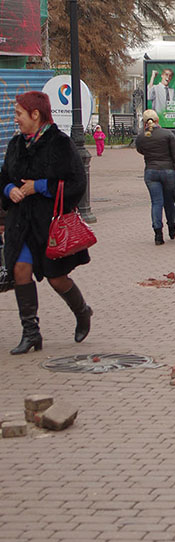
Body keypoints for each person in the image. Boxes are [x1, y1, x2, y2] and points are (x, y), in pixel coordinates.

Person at [2, 91, 93, 355]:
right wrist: (9, 190)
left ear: (35, 114)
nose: (16, 119)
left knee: (56, 278)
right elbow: (4, 177)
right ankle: (30, 333)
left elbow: (77, 183)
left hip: (49, 225)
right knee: (20, 269)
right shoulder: (16, 144)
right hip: (21, 223)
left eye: (19, 113)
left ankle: (82, 311)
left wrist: (39, 186)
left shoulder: (59, 144)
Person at [136, 109, 175, 245]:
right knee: (169, 201)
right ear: (157, 120)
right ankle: (172, 227)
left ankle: (158, 234)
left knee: (156, 203)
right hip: (168, 172)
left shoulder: (141, 137)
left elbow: (140, 150)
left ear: (144, 122)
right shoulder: (167, 134)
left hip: (151, 172)